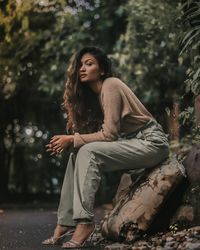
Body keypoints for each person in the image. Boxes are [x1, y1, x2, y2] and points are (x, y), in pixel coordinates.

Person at [42, 46, 169, 248]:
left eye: (89, 63)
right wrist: (73, 142)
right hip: (134, 141)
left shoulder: (110, 84)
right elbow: (110, 135)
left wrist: (71, 139)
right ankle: (64, 223)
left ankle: (85, 223)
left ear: (102, 70)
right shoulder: (97, 95)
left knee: (86, 150)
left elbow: (109, 135)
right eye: (80, 65)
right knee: (77, 155)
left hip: (151, 142)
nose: (82, 68)